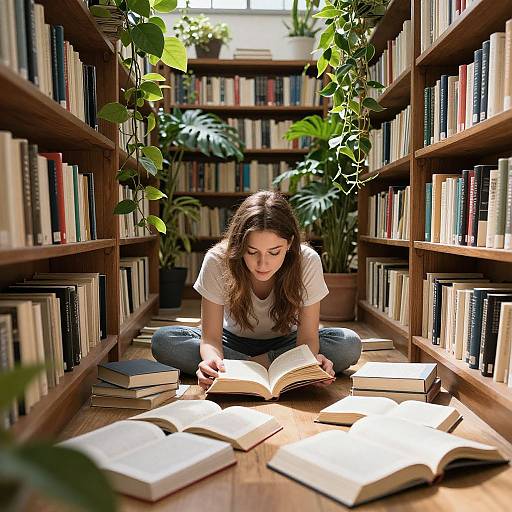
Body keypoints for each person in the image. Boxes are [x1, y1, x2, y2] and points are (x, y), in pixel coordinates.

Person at [152, 191, 361, 390]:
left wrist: (307, 357)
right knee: (164, 341)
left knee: (348, 344)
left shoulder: (307, 260)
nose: (263, 263)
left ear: (289, 244)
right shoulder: (217, 259)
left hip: (288, 342)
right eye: (251, 252)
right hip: (230, 341)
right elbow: (211, 339)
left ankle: (243, 370)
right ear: (239, 245)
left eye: (274, 252)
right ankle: (274, 368)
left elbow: (307, 339)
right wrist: (211, 361)